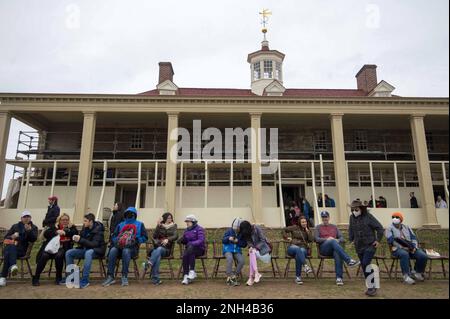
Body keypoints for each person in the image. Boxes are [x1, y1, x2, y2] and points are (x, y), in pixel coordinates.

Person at [102, 207, 148, 287]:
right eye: (128, 213)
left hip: (132, 248)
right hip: (119, 247)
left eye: (131, 214)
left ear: (134, 215)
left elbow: (145, 237)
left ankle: (124, 276)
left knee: (126, 251)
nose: (129, 215)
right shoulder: (121, 224)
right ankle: (110, 276)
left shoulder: (140, 224)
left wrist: (137, 240)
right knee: (113, 250)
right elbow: (114, 236)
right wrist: (118, 240)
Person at [348, 200, 384, 297]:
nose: (354, 211)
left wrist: (378, 240)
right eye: (353, 209)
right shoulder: (352, 218)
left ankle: (372, 287)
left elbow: (380, 228)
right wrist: (351, 240)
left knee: (365, 263)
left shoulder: (368, 217)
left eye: (356, 209)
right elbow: (351, 229)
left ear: (361, 209)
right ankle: (371, 286)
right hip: (358, 246)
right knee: (364, 266)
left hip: (370, 245)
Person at [314, 211, 360, 286]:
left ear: (329, 217)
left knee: (337, 253)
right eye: (323, 217)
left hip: (334, 248)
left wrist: (337, 240)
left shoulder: (334, 227)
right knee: (332, 241)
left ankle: (339, 278)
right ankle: (348, 260)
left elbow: (342, 238)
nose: (325, 218)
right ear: (322, 218)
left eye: (326, 217)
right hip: (324, 249)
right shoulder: (318, 227)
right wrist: (327, 239)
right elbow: (316, 239)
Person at [32, 213, 78, 286]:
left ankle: (58, 277)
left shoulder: (71, 227)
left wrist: (66, 232)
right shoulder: (54, 227)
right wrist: (56, 232)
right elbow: (46, 234)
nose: (65, 221)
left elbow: (75, 233)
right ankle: (36, 277)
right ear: (59, 220)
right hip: (51, 248)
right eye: (63, 220)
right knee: (44, 256)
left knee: (59, 255)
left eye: (67, 220)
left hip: (63, 248)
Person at [65, 213, 106, 289]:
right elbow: (82, 240)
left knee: (88, 252)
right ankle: (72, 277)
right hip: (85, 249)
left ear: (91, 221)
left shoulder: (99, 230)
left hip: (97, 251)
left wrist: (81, 240)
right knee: (69, 253)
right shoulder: (85, 228)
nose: (84, 223)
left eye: (85, 221)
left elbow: (94, 244)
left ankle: (85, 280)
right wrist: (76, 239)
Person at [386, 212, 428, 285]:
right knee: (404, 254)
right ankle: (406, 276)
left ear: (401, 219)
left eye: (397, 217)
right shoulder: (389, 229)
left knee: (422, 255)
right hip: (397, 249)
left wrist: (414, 247)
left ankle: (417, 272)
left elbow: (413, 238)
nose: (395, 219)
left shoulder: (407, 227)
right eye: (393, 217)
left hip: (411, 248)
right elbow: (391, 241)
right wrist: (403, 247)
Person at [0, 211, 38, 287]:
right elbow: (6, 238)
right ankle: (13, 266)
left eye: (28, 217)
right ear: (21, 218)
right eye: (24, 217)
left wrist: (29, 231)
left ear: (30, 218)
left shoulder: (34, 227)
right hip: (11, 248)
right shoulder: (15, 226)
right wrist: (12, 236)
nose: (26, 218)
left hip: (22, 250)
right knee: (11, 247)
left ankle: (3, 277)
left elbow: (33, 239)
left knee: (8, 252)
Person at [144, 212, 178, 285]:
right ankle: (156, 279)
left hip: (166, 249)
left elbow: (176, 236)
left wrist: (168, 239)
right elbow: (155, 236)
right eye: (168, 218)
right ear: (165, 218)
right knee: (157, 255)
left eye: (171, 217)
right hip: (157, 247)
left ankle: (149, 263)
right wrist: (158, 226)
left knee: (158, 250)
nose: (170, 219)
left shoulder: (174, 226)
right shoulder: (160, 226)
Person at [282, 216, 314, 285]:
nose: (304, 223)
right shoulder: (294, 227)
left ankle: (298, 277)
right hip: (292, 247)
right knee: (297, 249)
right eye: (302, 222)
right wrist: (287, 238)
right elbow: (283, 230)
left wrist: (308, 232)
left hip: (303, 248)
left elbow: (311, 240)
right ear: (299, 222)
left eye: (305, 222)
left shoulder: (308, 230)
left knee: (299, 254)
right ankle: (305, 266)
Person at [239, 220, 271, 286]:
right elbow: (249, 242)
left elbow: (263, 240)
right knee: (251, 252)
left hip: (264, 251)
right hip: (254, 252)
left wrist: (255, 248)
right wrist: (251, 247)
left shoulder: (257, 228)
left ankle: (251, 277)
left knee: (252, 252)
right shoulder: (246, 234)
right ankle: (255, 274)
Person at [177, 215, 205, 285]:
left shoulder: (199, 229)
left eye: (188, 222)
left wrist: (191, 243)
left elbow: (201, 240)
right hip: (190, 250)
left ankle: (191, 271)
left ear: (193, 222)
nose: (187, 223)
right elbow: (186, 240)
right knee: (185, 255)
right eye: (186, 222)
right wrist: (182, 240)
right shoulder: (186, 230)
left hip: (199, 249)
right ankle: (186, 275)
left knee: (190, 250)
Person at [222, 218, 247, 286]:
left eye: (238, 228)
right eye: (235, 228)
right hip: (227, 249)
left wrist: (238, 241)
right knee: (229, 259)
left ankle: (234, 276)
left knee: (242, 261)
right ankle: (229, 276)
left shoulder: (242, 233)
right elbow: (223, 240)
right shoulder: (229, 231)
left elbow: (244, 244)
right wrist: (228, 238)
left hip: (237, 250)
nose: (236, 229)